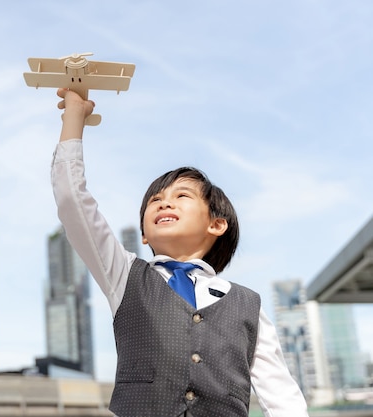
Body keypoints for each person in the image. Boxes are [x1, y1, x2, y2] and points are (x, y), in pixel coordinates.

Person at [50, 88, 309, 417]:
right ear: (143, 235)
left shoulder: (249, 306)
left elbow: (281, 395)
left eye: (182, 195)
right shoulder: (124, 276)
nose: (164, 202)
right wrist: (74, 115)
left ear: (216, 224)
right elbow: (72, 200)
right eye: (154, 201)